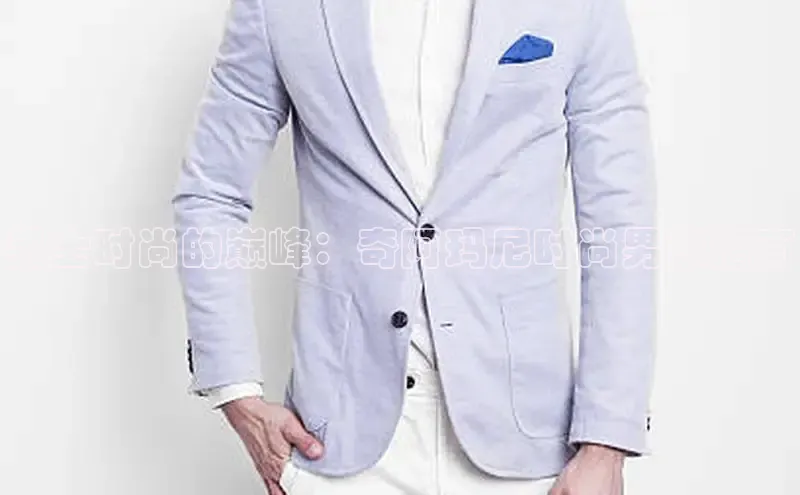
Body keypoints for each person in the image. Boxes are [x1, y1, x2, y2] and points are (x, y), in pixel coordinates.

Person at [172, 0, 656, 493]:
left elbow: (619, 221)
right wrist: (235, 391)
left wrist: (606, 441)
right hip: (338, 445)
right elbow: (212, 193)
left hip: (530, 446)